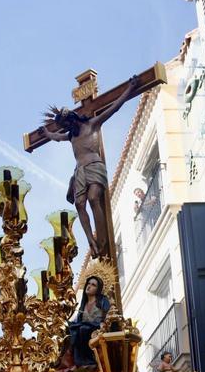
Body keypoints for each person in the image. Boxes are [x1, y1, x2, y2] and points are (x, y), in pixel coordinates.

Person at [43, 78, 140, 258]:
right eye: (64, 127)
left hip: (94, 165)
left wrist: (129, 89)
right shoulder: (71, 136)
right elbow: (56, 137)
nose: (66, 128)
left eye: (67, 125)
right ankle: (91, 240)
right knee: (80, 204)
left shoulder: (92, 124)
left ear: (72, 119)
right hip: (80, 171)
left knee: (94, 198)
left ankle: (102, 239)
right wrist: (46, 133)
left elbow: (115, 107)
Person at [67, 275, 110, 368]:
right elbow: (79, 321)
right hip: (85, 328)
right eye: (88, 283)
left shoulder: (103, 300)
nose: (89, 286)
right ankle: (76, 361)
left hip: (98, 328)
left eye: (93, 285)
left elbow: (109, 314)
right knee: (71, 330)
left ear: (98, 289)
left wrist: (104, 323)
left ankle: (89, 361)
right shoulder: (83, 305)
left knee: (83, 329)